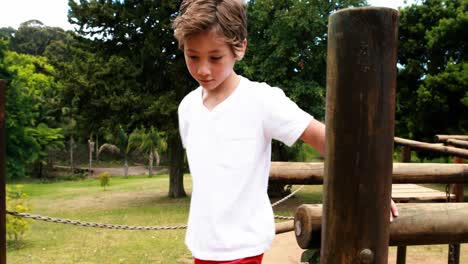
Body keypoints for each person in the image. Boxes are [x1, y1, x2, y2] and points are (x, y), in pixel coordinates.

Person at [172, 1, 398, 263]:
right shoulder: (187, 107)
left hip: (242, 247)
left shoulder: (261, 100)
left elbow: (325, 139)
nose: (203, 69)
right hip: (201, 244)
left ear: (240, 48)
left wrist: (371, 186)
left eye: (215, 57)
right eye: (192, 56)